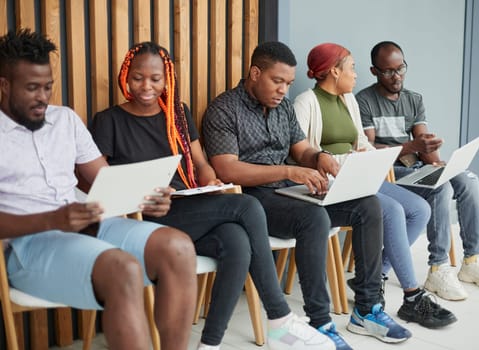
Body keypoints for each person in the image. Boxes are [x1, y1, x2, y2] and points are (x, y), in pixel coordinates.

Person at [90, 41, 336, 350]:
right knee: (246, 206)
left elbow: (201, 163)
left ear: (167, 79)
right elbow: (100, 182)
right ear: (126, 75)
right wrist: (139, 194)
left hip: (186, 207)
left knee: (236, 241)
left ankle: (210, 344)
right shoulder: (108, 121)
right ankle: (279, 318)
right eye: (138, 77)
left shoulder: (178, 114)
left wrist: (210, 179)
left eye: (155, 78)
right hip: (145, 216)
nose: (146, 86)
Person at [202, 40, 413, 347]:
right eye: (277, 82)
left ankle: (367, 310)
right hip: (251, 200)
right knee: (313, 218)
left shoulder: (283, 107)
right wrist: (289, 171)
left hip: (288, 191)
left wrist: (318, 158)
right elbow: (227, 170)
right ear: (255, 73)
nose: (283, 91)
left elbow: (301, 149)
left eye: (288, 83)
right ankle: (320, 322)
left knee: (367, 206)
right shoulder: (224, 109)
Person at [0, 29, 197, 350]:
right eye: (32, 88)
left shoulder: (65, 120)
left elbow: (106, 181)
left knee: (178, 247)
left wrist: (147, 198)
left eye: (48, 87)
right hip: (29, 247)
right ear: (4, 85)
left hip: (89, 226)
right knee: (124, 269)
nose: (43, 97)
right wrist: (53, 220)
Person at [293, 42, 456, 329]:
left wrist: (366, 155)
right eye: (351, 68)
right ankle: (412, 297)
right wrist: (343, 159)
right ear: (333, 71)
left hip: (359, 176)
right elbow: (301, 152)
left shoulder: (348, 100)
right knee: (391, 210)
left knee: (419, 209)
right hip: (330, 184)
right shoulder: (306, 102)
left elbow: (363, 142)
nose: (355, 75)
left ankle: (376, 275)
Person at [356, 40, 479, 301]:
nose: (396, 76)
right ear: (374, 70)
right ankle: (438, 267)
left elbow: (425, 146)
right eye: (388, 71)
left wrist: (435, 155)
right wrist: (412, 146)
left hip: (417, 166)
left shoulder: (414, 99)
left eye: (401, 68)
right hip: (389, 172)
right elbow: (369, 149)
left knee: (468, 179)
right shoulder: (364, 100)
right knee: (439, 187)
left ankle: (472, 260)